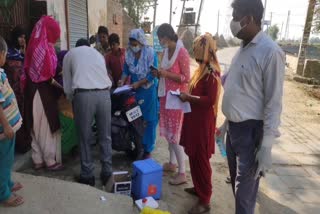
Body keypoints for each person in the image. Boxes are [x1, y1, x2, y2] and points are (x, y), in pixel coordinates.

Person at [222, 0, 285, 213]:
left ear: (248, 18)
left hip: (251, 133)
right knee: (237, 189)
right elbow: (241, 92)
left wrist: (266, 145)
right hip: (233, 130)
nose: (232, 23)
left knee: (244, 195)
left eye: (235, 16)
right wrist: (225, 124)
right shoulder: (243, 48)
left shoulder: (270, 52)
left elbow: (273, 102)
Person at [179, 33, 221, 214]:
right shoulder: (201, 69)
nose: (194, 53)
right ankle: (198, 187)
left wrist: (189, 97)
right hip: (194, 121)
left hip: (202, 124)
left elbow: (209, 100)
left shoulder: (211, 72)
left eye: (197, 50)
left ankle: (205, 200)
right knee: (194, 157)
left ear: (206, 51)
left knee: (201, 160)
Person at [63, 38, 113, 186]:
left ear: (76, 46)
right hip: (105, 94)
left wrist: (71, 98)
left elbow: (67, 84)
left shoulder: (70, 54)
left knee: (84, 137)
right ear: (87, 46)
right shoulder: (98, 54)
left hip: (84, 95)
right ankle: (107, 173)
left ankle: (87, 175)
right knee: (105, 136)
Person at [24, 16, 63, 171]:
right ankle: (49, 160)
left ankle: (37, 159)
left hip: (31, 90)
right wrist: (60, 86)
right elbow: (47, 74)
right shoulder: (43, 48)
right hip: (42, 91)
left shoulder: (33, 45)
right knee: (45, 126)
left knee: (35, 125)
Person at [154, 23, 190, 185]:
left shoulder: (181, 52)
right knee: (169, 134)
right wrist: (158, 74)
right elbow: (164, 73)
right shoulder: (166, 52)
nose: (159, 41)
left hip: (175, 99)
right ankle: (172, 163)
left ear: (166, 37)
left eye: (160, 38)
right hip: (164, 97)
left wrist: (166, 74)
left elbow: (186, 78)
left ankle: (182, 172)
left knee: (174, 136)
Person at [118, 29, 158, 159]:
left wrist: (140, 83)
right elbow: (125, 70)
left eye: (135, 44)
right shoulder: (129, 53)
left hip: (148, 91)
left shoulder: (151, 54)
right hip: (134, 91)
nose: (133, 47)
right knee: (135, 119)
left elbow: (153, 74)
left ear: (141, 42)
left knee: (149, 120)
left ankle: (147, 149)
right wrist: (122, 80)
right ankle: (137, 145)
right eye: (132, 44)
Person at [0, 36, 24, 207]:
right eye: (5, 54)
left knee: (7, 160)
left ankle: (7, 183)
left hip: (8, 128)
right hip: (4, 129)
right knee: (4, 161)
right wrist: (7, 125)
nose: (6, 58)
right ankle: (3, 194)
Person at [4, 25, 31, 153]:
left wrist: (24, 53)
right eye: (20, 37)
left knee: (21, 116)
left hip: (21, 90)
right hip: (10, 91)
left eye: (24, 37)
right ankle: (18, 145)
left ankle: (22, 143)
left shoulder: (19, 53)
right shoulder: (7, 53)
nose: (22, 40)